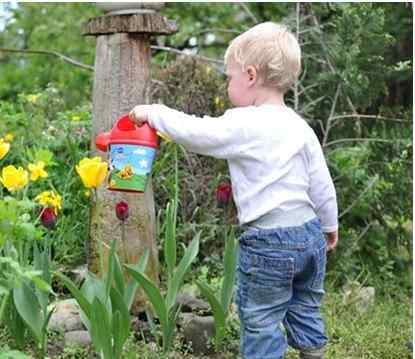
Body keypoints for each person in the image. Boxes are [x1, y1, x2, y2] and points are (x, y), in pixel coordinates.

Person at [128, 22, 338, 359]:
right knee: (305, 306)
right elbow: (321, 183)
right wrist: (329, 226)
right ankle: (314, 354)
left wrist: (154, 113)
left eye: (230, 76)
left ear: (251, 76)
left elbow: (197, 132)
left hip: (269, 243)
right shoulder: (300, 127)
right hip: (309, 234)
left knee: (262, 320)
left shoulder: (244, 122)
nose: (228, 84)